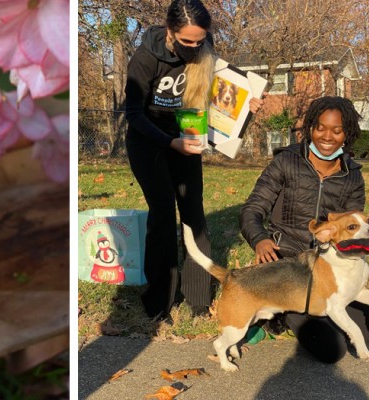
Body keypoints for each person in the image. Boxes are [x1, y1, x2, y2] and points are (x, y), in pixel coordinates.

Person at [124, 0, 263, 319]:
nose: (194, 47)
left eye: (200, 40)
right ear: (170, 32)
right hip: (149, 142)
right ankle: (159, 301)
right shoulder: (145, 58)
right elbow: (134, 115)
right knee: (162, 213)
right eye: (187, 41)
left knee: (194, 214)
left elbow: (220, 98)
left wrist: (246, 112)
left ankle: (198, 298)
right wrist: (170, 142)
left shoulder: (205, 47)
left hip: (188, 136)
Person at [240, 96, 369, 363]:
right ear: (310, 128)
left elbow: (355, 232)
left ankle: (315, 314)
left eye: (337, 130)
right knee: (333, 348)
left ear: (347, 134)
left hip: (331, 268)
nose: (327, 136)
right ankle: (281, 313)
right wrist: (260, 239)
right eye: (320, 127)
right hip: (290, 268)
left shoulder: (352, 176)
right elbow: (253, 209)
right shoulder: (286, 162)